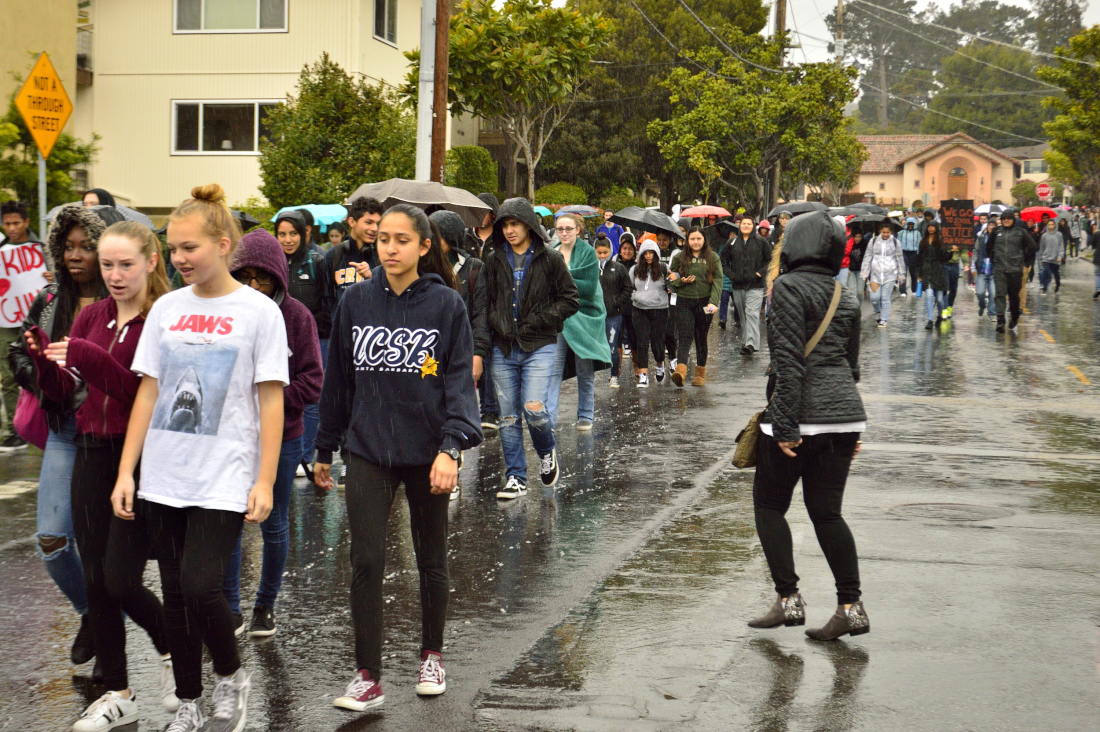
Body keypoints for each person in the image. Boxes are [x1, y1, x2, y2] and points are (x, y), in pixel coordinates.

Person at [112, 184, 289, 732]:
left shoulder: (258, 311)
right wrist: (126, 470)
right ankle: (189, 700)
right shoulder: (166, 308)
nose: (179, 258)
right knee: (174, 594)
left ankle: (232, 674)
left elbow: (271, 399)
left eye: (190, 247)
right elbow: (148, 391)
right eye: (173, 249)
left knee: (201, 584)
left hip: (224, 475)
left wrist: (264, 479)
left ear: (223, 243)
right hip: (164, 473)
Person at [312, 205, 481, 712]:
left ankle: (432, 654)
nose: (390, 247)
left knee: (430, 559)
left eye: (402, 239)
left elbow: (457, 384)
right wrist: (324, 447)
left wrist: (451, 447)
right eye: (383, 238)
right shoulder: (356, 302)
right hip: (366, 450)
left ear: (424, 246)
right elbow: (338, 380)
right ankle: (367, 675)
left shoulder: (447, 306)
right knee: (364, 560)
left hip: (429, 453)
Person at [26, 220, 178, 730]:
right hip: (90, 448)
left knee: (121, 578)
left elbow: (142, 395)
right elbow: (68, 389)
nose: (114, 275)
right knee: (94, 581)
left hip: (138, 456)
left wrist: (87, 357)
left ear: (151, 262)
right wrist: (41, 363)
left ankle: (174, 644)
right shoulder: (91, 315)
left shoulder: (164, 318)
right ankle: (117, 691)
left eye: (125, 265)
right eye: (107, 265)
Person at [748, 210, 869, 642]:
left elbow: (788, 363)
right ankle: (850, 607)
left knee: (768, 506)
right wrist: (847, 427)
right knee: (827, 513)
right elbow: (851, 366)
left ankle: (788, 599)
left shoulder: (786, 288)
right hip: (845, 416)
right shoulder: (845, 292)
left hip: (800, 416)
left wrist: (784, 427)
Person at [8, 203, 116, 678]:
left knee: (104, 550)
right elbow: (18, 350)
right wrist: (42, 379)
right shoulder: (51, 299)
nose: (75, 255)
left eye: (86, 246)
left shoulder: (124, 299)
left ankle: (115, 658)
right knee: (53, 540)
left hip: (112, 435)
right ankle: (91, 615)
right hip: (65, 433)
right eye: (68, 246)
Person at [221, 229, 323, 638]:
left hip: (284, 437)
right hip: (232, 437)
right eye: (242, 277)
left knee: (274, 522)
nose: (252, 287)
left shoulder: (297, 316)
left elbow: (313, 380)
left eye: (261, 278)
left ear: (278, 277)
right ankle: (229, 608)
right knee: (227, 521)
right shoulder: (225, 312)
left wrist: (272, 401)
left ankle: (265, 605)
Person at [472, 198, 579, 499]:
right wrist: (483, 344)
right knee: (507, 417)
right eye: (504, 225)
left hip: (540, 345)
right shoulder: (492, 260)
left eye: (514, 224)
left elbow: (570, 299)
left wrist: (539, 320)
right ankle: (515, 477)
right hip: (503, 349)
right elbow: (481, 307)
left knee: (534, 410)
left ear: (529, 225)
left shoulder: (550, 259)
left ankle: (547, 452)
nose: (509, 230)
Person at [273, 210, 332, 479]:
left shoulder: (317, 261)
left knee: (310, 399)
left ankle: (304, 456)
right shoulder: (272, 264)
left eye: (293, 233)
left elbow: (328, 301)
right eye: (282, 234)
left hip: (313, 338)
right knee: (279, 393)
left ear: (304, 234)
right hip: (276, 340)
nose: (287, 239)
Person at [431, 209, 497, 435]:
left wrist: (478, 354)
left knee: (457, 402)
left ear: (450, 237)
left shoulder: (474, 268)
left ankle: (452, 448)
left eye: (436, 235)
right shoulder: (420, 267)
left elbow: (481, 315)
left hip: (461, 350)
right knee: (432, 401)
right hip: (429, 351)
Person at [547, 214, 611, 431]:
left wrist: (561, 276)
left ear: (578, 230)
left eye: (568, 228)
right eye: (560, 229)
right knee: (553, 370)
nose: (564, 233)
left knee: (585, 369)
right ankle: (549, 419)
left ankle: (586, 415)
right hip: (558, 318)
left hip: (584, 318)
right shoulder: (551, 251)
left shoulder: (587, 253)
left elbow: (589, 287)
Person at [0, 201, 42, 449]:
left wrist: (51, 275)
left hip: (35, 321)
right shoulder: (1, 251)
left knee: (39, 370)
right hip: (5, 322)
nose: (11, 228)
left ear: (26, 222)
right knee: (8, 375)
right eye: (7, 224)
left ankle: (41, 421)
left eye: (16, 223)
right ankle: (16, 430)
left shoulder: (42, 250)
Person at [667, 227, 721, 386]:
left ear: (704, 240)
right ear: (687, 240)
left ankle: (700, 374)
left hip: (706, 304)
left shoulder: (713, 257)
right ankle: (681, 372)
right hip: (684, 302)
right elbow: (669, 280)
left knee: (701, 337)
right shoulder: (679, 257)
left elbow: (718, 280)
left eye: (698, 239)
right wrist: (680, 281)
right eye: (692, 239)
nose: (696, 242)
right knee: (684, 337)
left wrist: (713, 302)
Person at [721, 216, 772, 357]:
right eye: (744, 223)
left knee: (752, 314)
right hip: (738, 285)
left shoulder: (761, 242)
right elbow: (723, 261)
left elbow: (770, 260)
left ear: (753, 226)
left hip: (755, 285)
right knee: (743, 316)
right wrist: (731, 275)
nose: (746, 226)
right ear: (739, 225)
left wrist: (760, 273)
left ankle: (751, 344)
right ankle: (746, 342)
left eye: (749, 224)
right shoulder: (732, 243)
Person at [988, 209, 1037, 333]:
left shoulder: (1020, 232)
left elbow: (1033, 247)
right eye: (1004, 218)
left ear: (1013, 220)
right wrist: (994, 259)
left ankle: (1015, 316)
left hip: (1015, 270)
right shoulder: (996, 231)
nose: (1006, 220)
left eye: (1009, 218)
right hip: (999, 269)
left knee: (1014, 296)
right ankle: (1000, 321)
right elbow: (988, 247)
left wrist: (1024, 261)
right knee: (999, 294)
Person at [328, 196, 383, 305]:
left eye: (378, 224)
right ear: (352, 222)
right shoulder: (333, 255)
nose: (375, 229)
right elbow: (326, 300)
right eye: (369, 222)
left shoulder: (384, 255)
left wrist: (372, 277)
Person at [629, 240, 670, 388]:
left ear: (656, 254)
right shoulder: (634, 270)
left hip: (659, 308)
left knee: (657, 342)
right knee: (642, 341)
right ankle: (643, 375)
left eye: (651, 253)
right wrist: (635, 297)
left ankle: (660, 363)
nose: (648, 256)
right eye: (645, 253)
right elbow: (630, 287)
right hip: (639, 308)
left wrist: (671, 285)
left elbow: (672, 284)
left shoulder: (664, 269)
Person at [595, 236, 631, 389]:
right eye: (599, 252)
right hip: (595, 315)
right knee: (594, 347)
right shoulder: (591, 268)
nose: (602, 256)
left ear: (610, 251)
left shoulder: (618, 268)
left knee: (612, 346)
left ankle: (614, 375)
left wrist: (617, 302)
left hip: (613, 315)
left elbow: (628, 288)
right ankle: (591, 375)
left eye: (605, 252)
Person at [860, 222, 906, 328]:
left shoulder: (895, 242)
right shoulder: (873, 241)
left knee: (885, 297)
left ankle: (884, 319)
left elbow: (900, 258)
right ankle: (877, 311)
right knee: (874, 298)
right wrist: (865, 272)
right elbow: (868, 256)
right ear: (880, 231)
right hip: (875, 274)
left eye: (888, 232)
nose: (885, 234)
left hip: (890, 274)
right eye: (884, 232)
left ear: (891, 232)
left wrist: (901, 274)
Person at [917, 223, 950, 330]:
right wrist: (919, 274)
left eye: (932, 226)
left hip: (938, 272)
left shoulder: (940, 242)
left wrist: (952, 252)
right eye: (929, 226)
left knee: (940, 300)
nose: (930, 228)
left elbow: (944, 257)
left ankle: (940, 315)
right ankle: (930, 320)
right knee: (929, 296)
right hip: (927, 271)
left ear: (936, 228)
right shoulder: (923, 242)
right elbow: (920, 258)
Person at [613, 233, 638, 369]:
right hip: (618, 306)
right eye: (624, 248)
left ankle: (637, 368)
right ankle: (616, 369)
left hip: (634, 307)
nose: (627, 251)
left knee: (634, 337)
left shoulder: (638, 266)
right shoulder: (615, 265)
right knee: (617, 338)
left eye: (630, 248)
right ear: (620, 250)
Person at [975, 217, 998, 318]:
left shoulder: (998, 238)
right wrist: (975, 264)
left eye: (993, 225)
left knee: (993, 293)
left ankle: (991, 312)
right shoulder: (981, 238)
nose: (991, 227)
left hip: (994, 269)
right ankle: (982, 305)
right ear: (987, 226)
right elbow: (975, 250)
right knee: (980, 292)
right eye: (990, 225)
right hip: (982, 269)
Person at [942, 235, 970, 318]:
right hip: (944, 264)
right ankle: (945, 309)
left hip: (955, 265)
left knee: (953, 289)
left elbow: (964, 252)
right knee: (944, 287)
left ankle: (949, 306)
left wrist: (966, 264)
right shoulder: (943, 234)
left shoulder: (960, 236)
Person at [466, 193, 500, 259]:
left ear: (493, 214)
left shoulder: (500, 237)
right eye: (477, 211)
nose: (479, 215)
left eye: (483, 211)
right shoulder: (466, 236)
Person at [1038, 218, 1065, 295]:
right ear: (1047, 226)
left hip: (1055, 258)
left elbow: (1061, 246)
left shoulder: (1059, 235)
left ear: (1055, 225)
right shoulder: (1044, 236)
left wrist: (1060, 255)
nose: (1051, 226)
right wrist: (1041, 258)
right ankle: (1045, 288)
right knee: (1046, 271)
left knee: (1056, 273)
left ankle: (1058, 284)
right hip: (1046, 258)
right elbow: (1042, 247)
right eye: (1049, 225)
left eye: (1052, 224)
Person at [896, 217, 921, 296]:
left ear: (914, 225)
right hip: (904, 252)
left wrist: (918, 253)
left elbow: (919, 243)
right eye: (909, 224)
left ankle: (914, 289)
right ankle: (903, 291)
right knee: (903, 272)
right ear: (906, 224)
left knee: (913, 273)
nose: (910, 225)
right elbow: (898, 243)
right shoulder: (901, 233)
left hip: (914, 253)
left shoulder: (917, 233)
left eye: (912, 224)